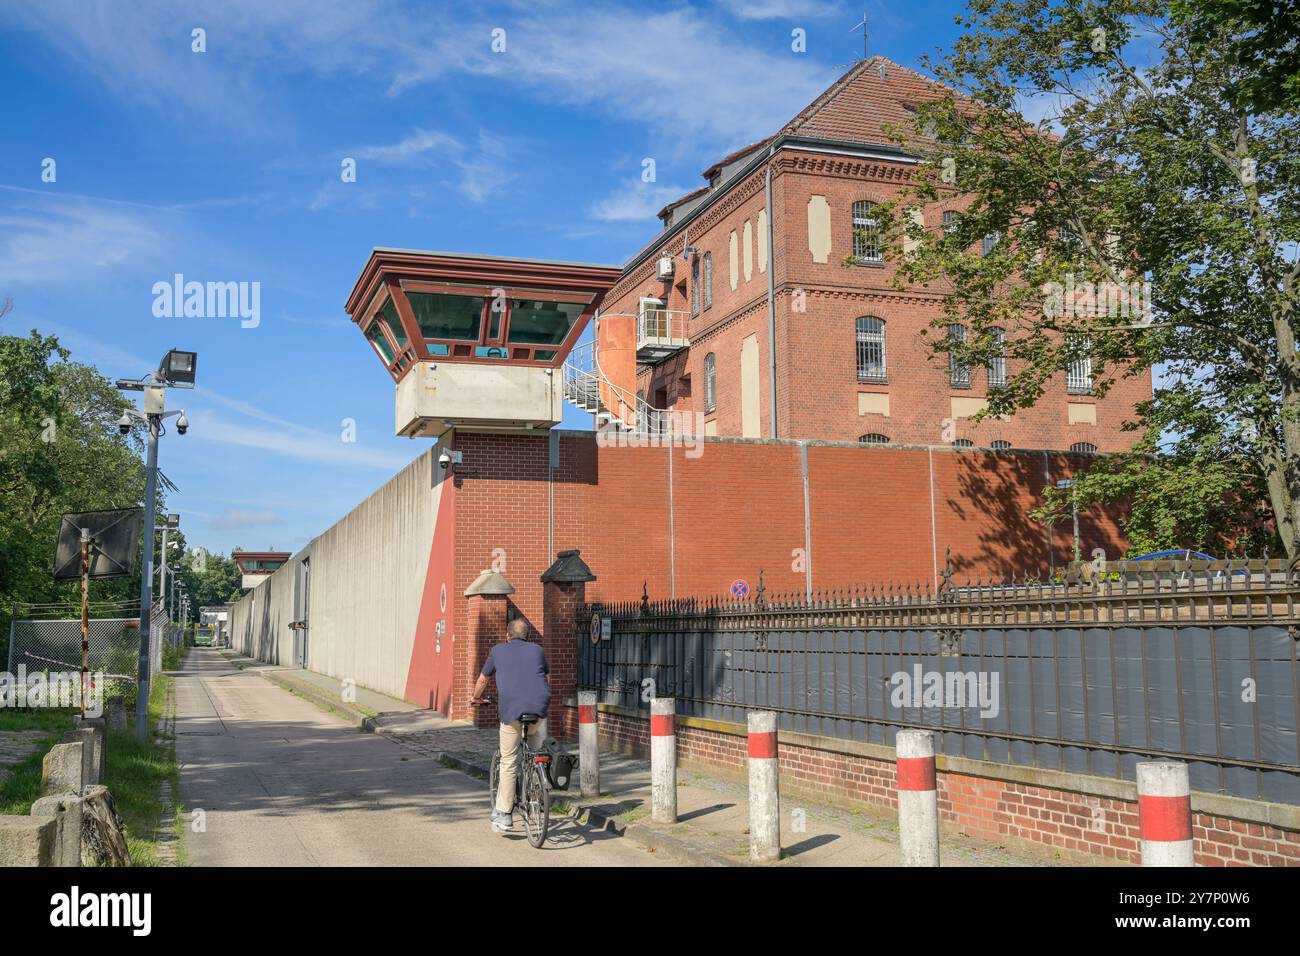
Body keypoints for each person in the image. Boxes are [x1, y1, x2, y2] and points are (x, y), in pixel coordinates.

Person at [470, 618, 551, 833]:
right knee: (535, 751)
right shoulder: (538, 650)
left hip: (512, 713)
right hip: (539, 710)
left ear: (508, 636)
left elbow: (482, 680)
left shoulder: (498, 651)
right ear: (528, 636)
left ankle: (505, 814)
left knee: (508, 761)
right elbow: (544, 676)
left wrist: (475, 698)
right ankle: (538, 786)